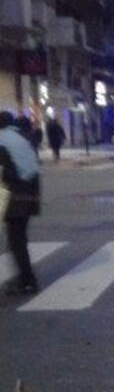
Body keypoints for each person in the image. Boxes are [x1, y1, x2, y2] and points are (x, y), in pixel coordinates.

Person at [0, 111, 42, 295]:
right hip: (29, 195)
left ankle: (27, 281)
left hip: (14, 196)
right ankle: (26, 278)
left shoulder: (2, 140)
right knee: (19, 239)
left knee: (16, 240)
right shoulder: (24, 137)